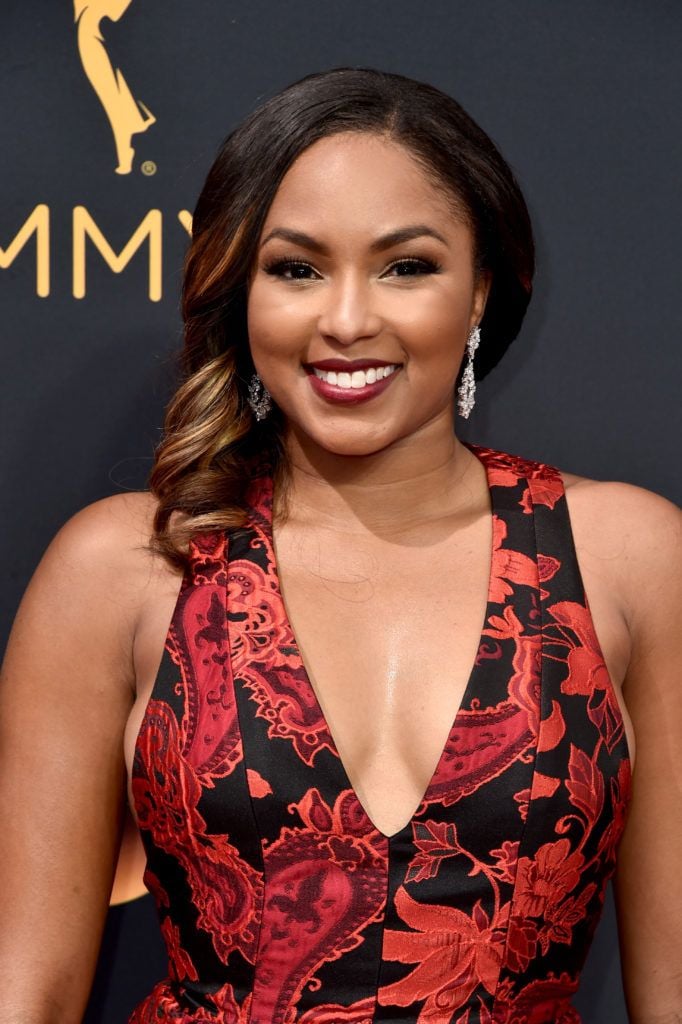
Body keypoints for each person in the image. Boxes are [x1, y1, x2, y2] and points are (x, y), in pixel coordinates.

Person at [0, 67, 679, 1024]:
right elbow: (22, 997)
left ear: (481, 289)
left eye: (407, 266)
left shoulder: (629, 560)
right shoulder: (128, 569)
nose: (348, 319)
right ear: (241, 291)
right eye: (296, 268)